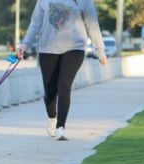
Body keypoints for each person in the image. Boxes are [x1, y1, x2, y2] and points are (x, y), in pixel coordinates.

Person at [17, 0, 107, 141]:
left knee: (64, 86)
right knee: (50, 91)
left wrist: (100, 50)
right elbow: (35, 23)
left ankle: (61, 127)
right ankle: (52, 117)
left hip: (74, 49)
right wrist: (24, 44)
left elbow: (92, 25)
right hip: (47, 49)